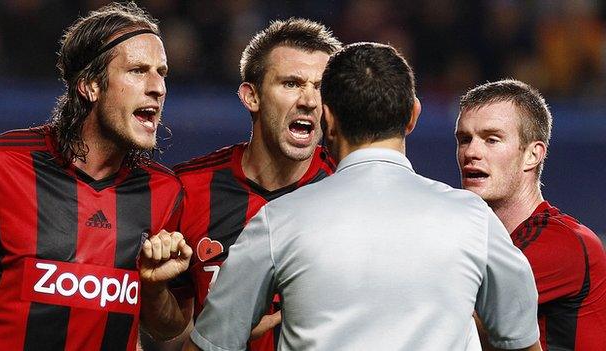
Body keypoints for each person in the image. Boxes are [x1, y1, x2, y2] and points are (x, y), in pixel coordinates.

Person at [185, 43, 541, 350]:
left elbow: (213, 343)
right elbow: (520, 340)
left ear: (328, 120)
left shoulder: (278, 220)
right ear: (413, 115)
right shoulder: (474, 220)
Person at [0, 3, 190, 350]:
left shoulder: (166, 192)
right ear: (90, 85)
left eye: (162, 72)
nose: (157, 87)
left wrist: (153, 289)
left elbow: (170, 328)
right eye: (138, 71)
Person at [139, 18, 341, 351]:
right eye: (291, 83)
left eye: (320, 87)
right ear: (251, 96)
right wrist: (154, 289)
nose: (309, 100)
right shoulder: (189, 190)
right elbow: (166, 327)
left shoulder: (345, 188)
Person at [455, 79, 606, 350]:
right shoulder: (473, 238)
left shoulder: (564, 243)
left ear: (532, 155)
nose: (471, 152)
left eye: (492, 139)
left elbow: (449, 321)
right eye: (464, 139)